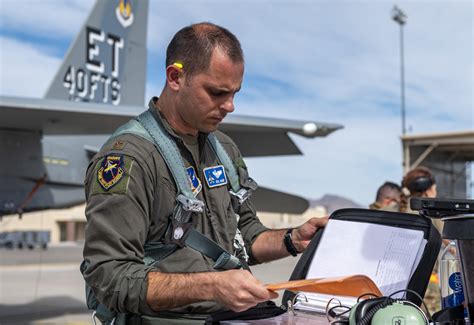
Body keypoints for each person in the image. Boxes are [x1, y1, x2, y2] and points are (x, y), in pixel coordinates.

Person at [82, 22, 327, 324]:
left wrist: (292, 239)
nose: (230, 106)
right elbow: (108, 277)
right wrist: (211, 286)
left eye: (235, 93)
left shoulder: (222, 148)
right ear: (175, 77)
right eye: (216, 92)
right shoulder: (129, 159)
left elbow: (244, 237)